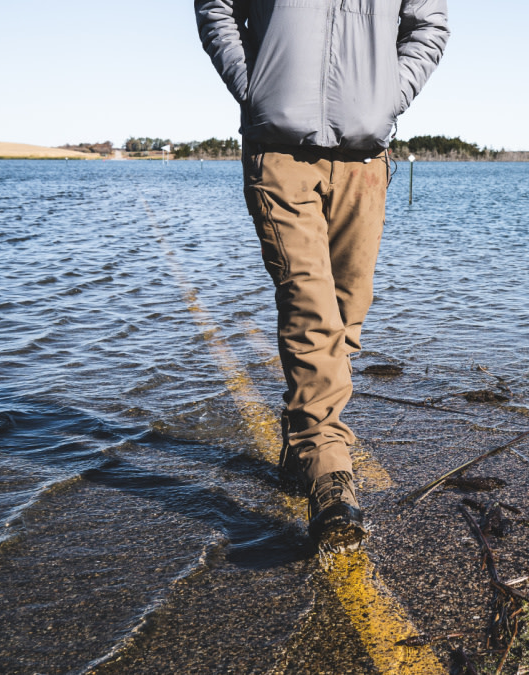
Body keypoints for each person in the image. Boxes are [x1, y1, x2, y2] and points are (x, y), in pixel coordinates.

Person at [195, 0, 449, 552]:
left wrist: (386, 98)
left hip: (364, 157)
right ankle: (330, 472)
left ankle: (301, 441)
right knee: (310, 308)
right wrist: (256, 89)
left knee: (346, 313)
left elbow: (428, 24)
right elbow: (215, 7)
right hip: (278, 153)